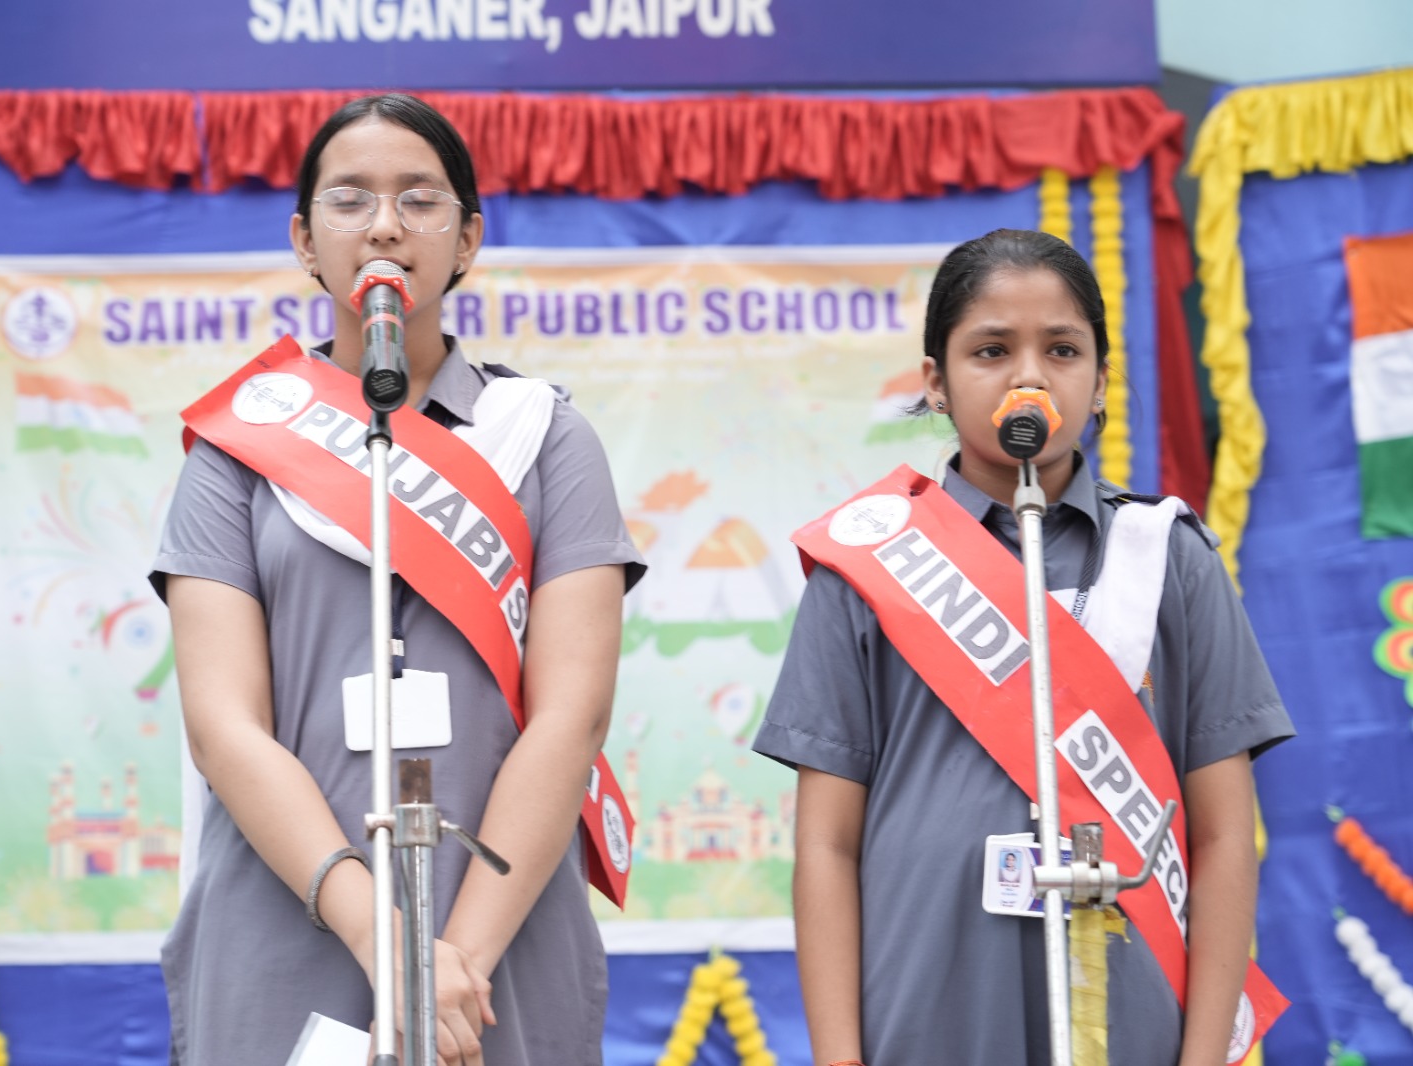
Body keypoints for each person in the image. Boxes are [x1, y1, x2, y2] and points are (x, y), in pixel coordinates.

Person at [152, 93, 644, 1066]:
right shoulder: (236, 450)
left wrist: (451, 964)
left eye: (419, 200)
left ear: (468, 240)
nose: (384, 225)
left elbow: (571, 717)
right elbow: (223, 726)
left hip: (496, 925)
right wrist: (382, 937)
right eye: (350, 200)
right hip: (292, 905)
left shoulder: (545, 438)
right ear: (305, 239)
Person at [752, 228, 1293, 1066]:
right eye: (992, 350)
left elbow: (1223, 834)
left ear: (1101, 381)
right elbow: (827, 844)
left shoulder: (1168, 557)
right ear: (936, 381)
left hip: (1126, 1007)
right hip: (925, 1008)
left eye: (1063, 350)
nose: (1029, 377)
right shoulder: (865, 565)